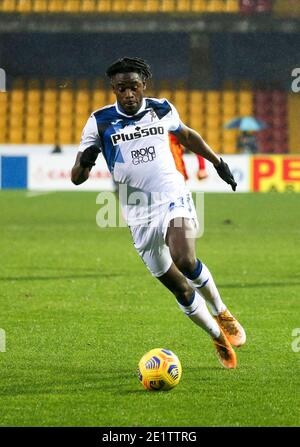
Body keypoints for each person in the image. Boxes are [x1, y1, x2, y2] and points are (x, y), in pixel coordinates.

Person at [71, 57, 246, 369]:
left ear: (143, 86)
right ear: (113, 89)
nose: (128, 94)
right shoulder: (99, 122)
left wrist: (218, 162)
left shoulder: (162, 108)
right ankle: (216, 335)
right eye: (121, 88)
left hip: (172, 196)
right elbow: (77, 177)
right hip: (137, 214)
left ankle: (221, 310)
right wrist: (85, 159)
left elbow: (187, 135)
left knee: (185, 258)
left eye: (133, 87)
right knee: (179, 286)